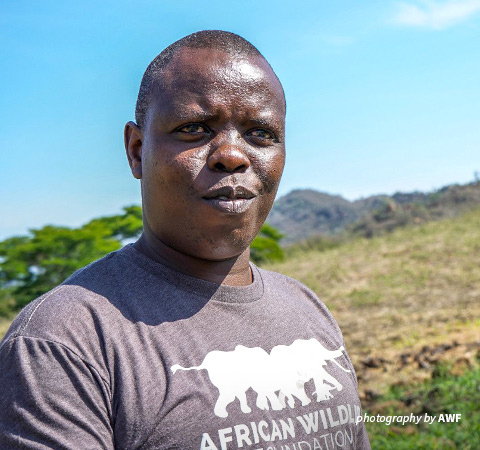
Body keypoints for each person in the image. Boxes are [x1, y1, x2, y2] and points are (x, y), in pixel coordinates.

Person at [0, 31, 371, 449]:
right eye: (195, 128)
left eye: (260, 133)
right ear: (137, 150)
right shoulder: (63, 343)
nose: (232, 154)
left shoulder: (306, 309)